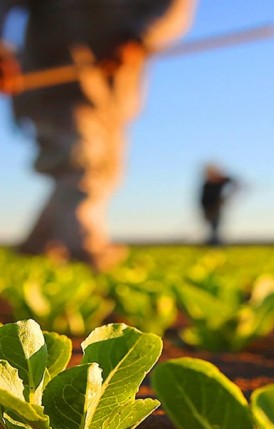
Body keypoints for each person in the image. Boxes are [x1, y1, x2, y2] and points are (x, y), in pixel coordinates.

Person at [0, 0, 197, 269]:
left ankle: (35, 248)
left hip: (114, 84)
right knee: (80, 162)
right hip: (54, 77)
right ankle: (87, 250)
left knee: (105, 170)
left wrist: (139, 36)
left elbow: (172, 8)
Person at [199, 162, 238, 245]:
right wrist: (206, 210)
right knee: (212, 226)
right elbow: (204, 199)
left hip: (217, 207)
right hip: (208, 208)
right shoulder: (207, 184)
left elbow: (235, 182)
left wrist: (228, 195)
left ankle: (215, 242)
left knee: (216, 225)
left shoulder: (221, 180)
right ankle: (213, 241)